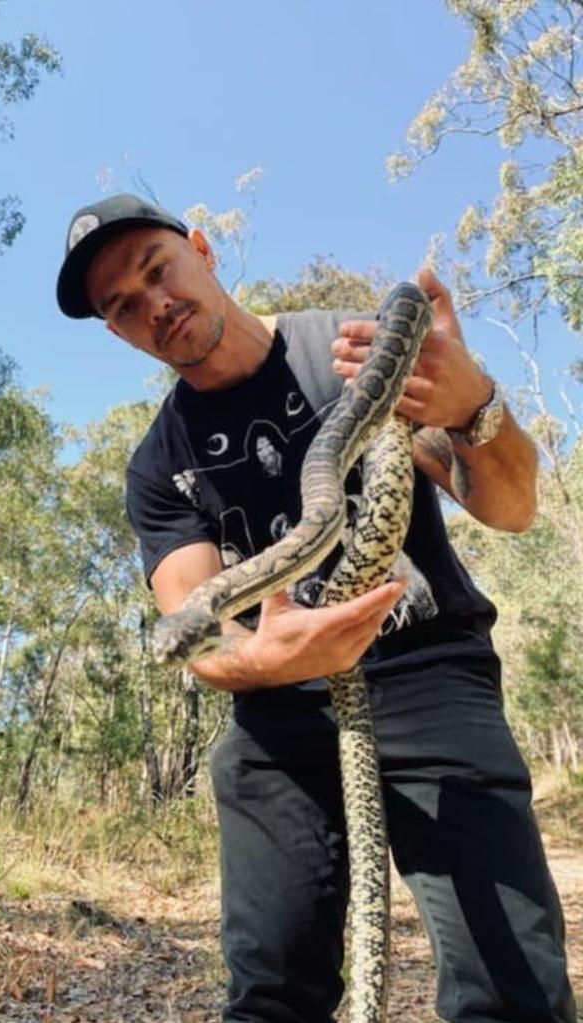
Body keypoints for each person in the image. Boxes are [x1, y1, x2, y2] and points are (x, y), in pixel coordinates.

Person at [56, 193, 576, 1023]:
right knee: (269, 998)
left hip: (427, 667)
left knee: (511, 989)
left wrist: (475, 406)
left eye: (158, 270)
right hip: (282, 704)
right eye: (122, 304)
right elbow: (208, 637)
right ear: (115, 330)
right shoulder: (161, 465)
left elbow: (511, 507)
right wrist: (267, 657)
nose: (153, 303)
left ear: (202, 248)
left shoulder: (353, 347)